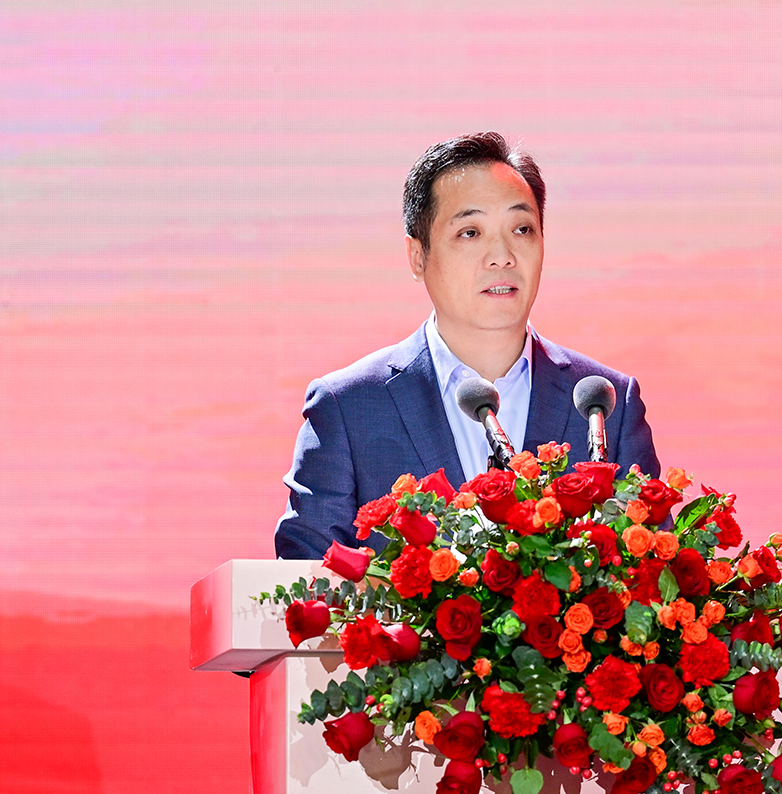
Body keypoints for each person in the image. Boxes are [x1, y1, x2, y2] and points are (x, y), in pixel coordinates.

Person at [274, 132, 659, 559]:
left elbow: (653, 566)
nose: (502, 256)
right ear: (417, 256)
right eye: (470, 232)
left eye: (522, 229)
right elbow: (306, 572)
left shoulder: (606, 403)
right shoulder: (349, 407)